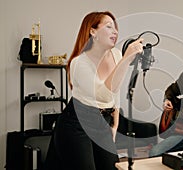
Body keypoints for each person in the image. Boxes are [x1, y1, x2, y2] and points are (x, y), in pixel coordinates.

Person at [44, 11, 144, 170]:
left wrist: (114, 124)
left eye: (115, 27)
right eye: (109, 26)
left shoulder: (116, 54)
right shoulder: (79, 63)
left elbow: (115, 92)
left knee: (112, 166)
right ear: (93, 31)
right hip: (76, 124)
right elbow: (103, 94)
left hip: (102, 122)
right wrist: (127, 58)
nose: (115, 31)